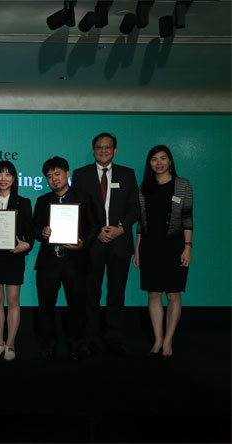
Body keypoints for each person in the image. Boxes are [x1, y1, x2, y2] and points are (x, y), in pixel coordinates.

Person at [71, 133, 140, 357]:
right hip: (93, 244)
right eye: (99, 147)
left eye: (107, 147)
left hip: (120, 242)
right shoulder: (81, 174)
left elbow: (135, 207)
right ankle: (91, 339)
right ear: (93, 150)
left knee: (116, 293)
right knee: (90, 293)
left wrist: (121, 228)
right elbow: (78, 208)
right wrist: (96, 231)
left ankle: (115, 338)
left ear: (115, 150)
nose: (103, 151)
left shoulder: (127, 174)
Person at [133, 145, 193, 359]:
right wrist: (137, 250)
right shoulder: (144, 188)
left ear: (170, 161)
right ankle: (157, 339)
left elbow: (187, 218)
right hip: (150, 246)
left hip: (175, 246)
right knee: (153, 293)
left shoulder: (182, 185)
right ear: (149, 164)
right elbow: (140, 224)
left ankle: (168, 340)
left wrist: (188, 248)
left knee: (173, 293)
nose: (159, 163)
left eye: (163, 158)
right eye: (154, 159)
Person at [33, 157, 94, 361]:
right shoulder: (42, 201)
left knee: (76, 306)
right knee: (46, 306)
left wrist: (83, 242)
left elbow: (94, 228)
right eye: (49, 177)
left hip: (74, 260)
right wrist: (41, 232)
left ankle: (77, 344)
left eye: (57, 174)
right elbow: (34, 230)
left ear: (68, 174)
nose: (53, 179)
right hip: (49, 262)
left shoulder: (83, 198)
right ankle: (48, 345)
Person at [0, 160, 33, 361]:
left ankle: (10, 345)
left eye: (8, 174)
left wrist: (27, 244)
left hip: (14, 256)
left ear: (14, 178)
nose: (3, 178)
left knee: (13, 302)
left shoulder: (24, 202)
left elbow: (30, 232)